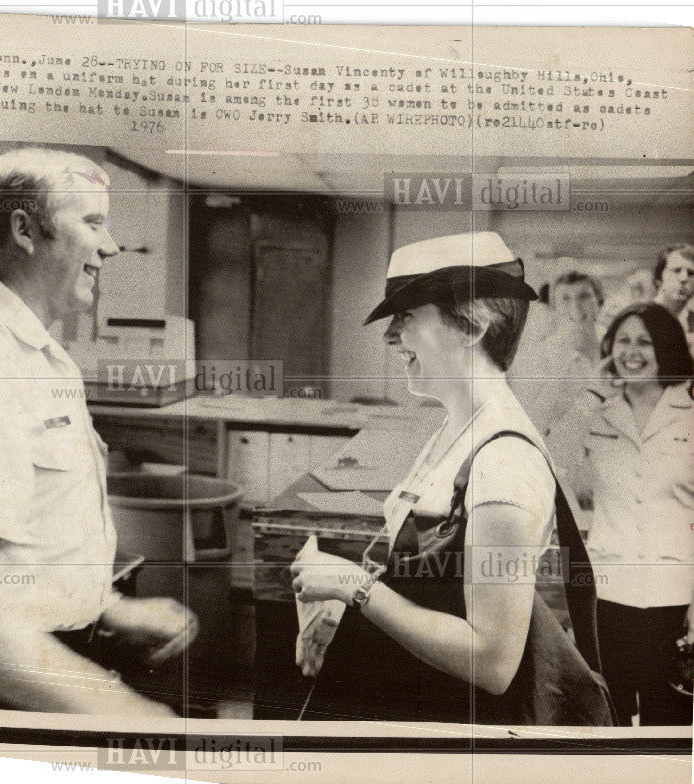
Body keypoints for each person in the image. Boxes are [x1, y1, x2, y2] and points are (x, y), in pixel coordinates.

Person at [0, 147, 196, 715]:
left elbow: (26, 539)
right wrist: (123, 711)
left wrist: (108, 606)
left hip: (22, 658)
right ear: (25, 229)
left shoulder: (32, 351)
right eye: (93, 222)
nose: (111, 246)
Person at [290, 232, 608, 724]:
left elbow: (493, 660)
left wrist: (354, 587)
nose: (390, 335)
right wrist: (345, 611)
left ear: (471, 327)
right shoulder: (456, 427)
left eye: (407, 316)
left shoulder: (503, 462)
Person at [565, 302, 694, 725]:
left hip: (676, 595)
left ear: (668, 349)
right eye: (623, 341)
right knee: (609, 716)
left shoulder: (690, 412)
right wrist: (591, 393)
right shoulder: (598, 411)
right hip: (607, 594)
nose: (632, 351)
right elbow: (554, 462)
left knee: (671, 719)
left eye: (645, 341)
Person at [510, 270, 603, 438]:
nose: (575, 306)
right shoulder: (535, 356)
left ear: (599, 302)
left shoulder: (615, 348)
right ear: (554, 307)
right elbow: (530, 425)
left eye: (584, 296)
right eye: (565, 299)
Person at [653, 244, 694, 354]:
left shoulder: (691, 322)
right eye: (676, 271)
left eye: (691, 273)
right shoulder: (642, 316)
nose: (684, 278)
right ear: (659, 276)